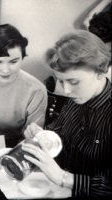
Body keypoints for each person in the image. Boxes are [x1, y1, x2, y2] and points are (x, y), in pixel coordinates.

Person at [22, 30, 111, 197]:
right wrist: (45, 137)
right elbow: (60, 137)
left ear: (100, 71)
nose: (67, 91)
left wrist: (63, 177)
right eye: (61, 81)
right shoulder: (76, 99)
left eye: (74, 81)